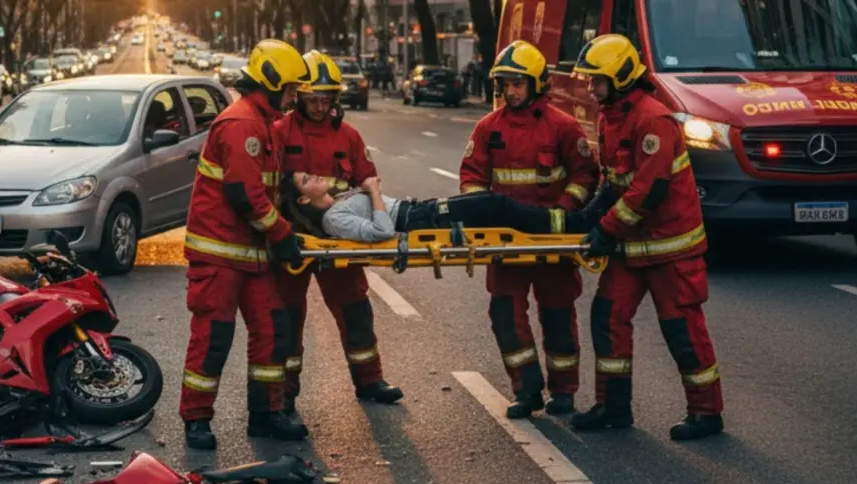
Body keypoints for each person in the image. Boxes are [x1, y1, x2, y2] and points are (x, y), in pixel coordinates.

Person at [570, 34, 724, 440]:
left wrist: (604, 230)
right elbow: (615, 180)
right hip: (630, 242)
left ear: (619, 77)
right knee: (608, 317)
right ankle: (613, 407)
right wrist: (592, 215)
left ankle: (707, 413)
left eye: (596, 80)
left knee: (682, 330)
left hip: (670, 247)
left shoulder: (653, 119)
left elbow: (646, 190)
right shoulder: (610, 116)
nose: (591, 88)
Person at [179, 39, 311, 450]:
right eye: (290, 90)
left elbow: (264, 191)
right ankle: (196, 419)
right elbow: (244, 194)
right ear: (271, 82)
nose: (292, 99)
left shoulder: (261, 123)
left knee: (273, 329)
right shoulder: (242, 125)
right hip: (220, 255)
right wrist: (282, 234)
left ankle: (266, 414)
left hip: (251, 255)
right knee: (213, 337)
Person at [458, 40, 600, 419]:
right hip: (505, 242)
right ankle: (526, 388)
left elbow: (585, 174)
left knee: (557, 314)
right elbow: (471, 179)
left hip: (552, 239)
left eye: (517, 83)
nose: (510, 91)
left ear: (536, 83)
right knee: (505, 313)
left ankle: (564, 391)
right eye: (505, 84)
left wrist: (564, 211)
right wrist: (483, 216)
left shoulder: (563, 127)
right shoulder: (489, 128)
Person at [272, 51, 403, 415]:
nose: (319, 106)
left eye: (326, 100)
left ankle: (369, 379)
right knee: (287, 315)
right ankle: (284, 390)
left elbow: (367, 178)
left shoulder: (348, 135)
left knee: (355, 308)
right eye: (313, 99)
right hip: (294, 240)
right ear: (298, 97)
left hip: (339, 241)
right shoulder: (281, 133)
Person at [279, 171, 600, 241]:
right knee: (494, 204)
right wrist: (374, 191)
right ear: (305, 199)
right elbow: (382, 231)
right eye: (308, 179)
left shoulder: (339, 203)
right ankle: (575, 225)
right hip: (418, 221)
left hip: (421, 211)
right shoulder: (334, 220)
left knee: (495, 205)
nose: (317, 175)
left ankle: (574, 221)